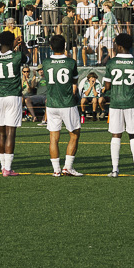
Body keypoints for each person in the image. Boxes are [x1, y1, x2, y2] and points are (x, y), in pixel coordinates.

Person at [102, 31, 134, 178]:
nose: (114, 46)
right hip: (132, 103)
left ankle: (115, 170)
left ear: (120, 46)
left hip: (116, 103)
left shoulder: (111, 63)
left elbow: (107, 86)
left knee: (116, 135)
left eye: (115, 44)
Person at [41, 33, 83, 177]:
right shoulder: (71, 62)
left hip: (52, 104)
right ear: (65, 46)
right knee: (74, 134)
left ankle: (56, 170)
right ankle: (68, 167)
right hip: (67, 103)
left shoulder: (46, 62)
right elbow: (74, 81)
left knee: (53, 137)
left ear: (51, 47)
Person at [0, 30, 24, 177]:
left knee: (1, 133)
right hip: (13, 95)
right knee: (11, 133)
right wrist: (19, 45)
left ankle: (3, 167)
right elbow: (25, 58)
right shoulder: (17, 56)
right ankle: (8, 168)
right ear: (12, 41)